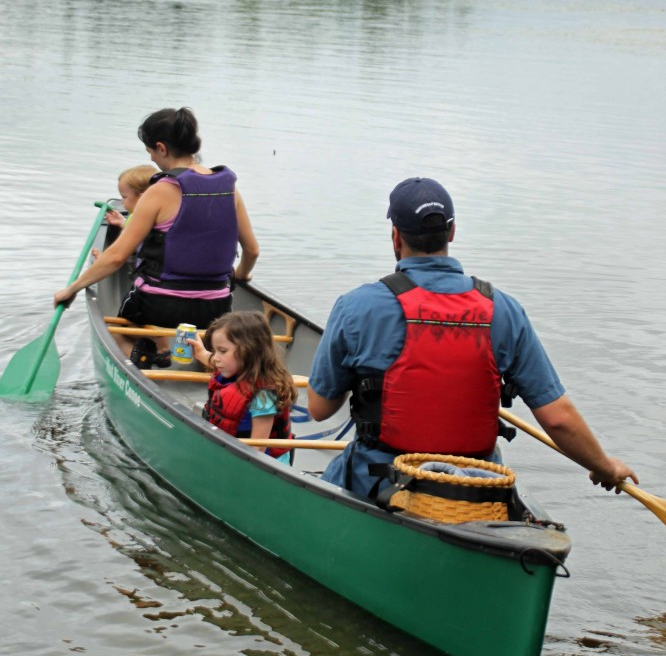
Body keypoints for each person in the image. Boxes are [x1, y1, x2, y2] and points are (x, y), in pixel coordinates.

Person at [307, 176, 639, 501]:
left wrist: (365, 380)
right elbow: (557, 418)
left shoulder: (356, 307)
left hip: (381, 485)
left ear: (395, 237)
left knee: (334, 476)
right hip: (476, 493)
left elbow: (320, 409)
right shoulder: (504, 311)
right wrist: (604, 466)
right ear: (452, 231)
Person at [53, 107, 260, 359]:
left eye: (150, 151)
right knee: (200, 325)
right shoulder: (229, 189)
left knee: (114, 331)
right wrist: (241, 276)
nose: (151, 158)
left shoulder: (160, 190)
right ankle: (187, 356)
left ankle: (149, 356)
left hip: (159, 305)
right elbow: (252, 250)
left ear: (161, 148)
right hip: (216, 308)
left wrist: (72, 288)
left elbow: (117, 257)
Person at [192, 311, 297, 461]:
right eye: (215, 351)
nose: (215, 357)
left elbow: (258, 448)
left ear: (248, 351)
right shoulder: (237, 367)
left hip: (261, 463)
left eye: (222, 351)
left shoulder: (263, 395)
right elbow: (214, 361)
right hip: (233, 449)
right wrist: (200, 352)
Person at [91, 164, 157, 258]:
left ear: (142, 198)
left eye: (124, 197)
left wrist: (103, 259)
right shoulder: (159, 214)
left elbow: (122, 251)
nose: (122, 201)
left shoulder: (137, 218)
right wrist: (123, 222)